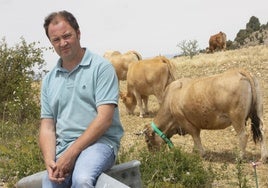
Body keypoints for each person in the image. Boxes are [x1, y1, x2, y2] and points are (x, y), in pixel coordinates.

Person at [39, 10, 124, 188]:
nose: (63, 43)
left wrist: (71, 154)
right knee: (50, 184)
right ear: (51, 43)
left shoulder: (101, 68)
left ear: (78, 33)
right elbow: (47, 127)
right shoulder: (49, 80)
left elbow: (104, 119)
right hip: (63, 148)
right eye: (56, 40)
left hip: (99, 143)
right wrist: (49, 162)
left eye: (67, 36)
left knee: (82, 179)